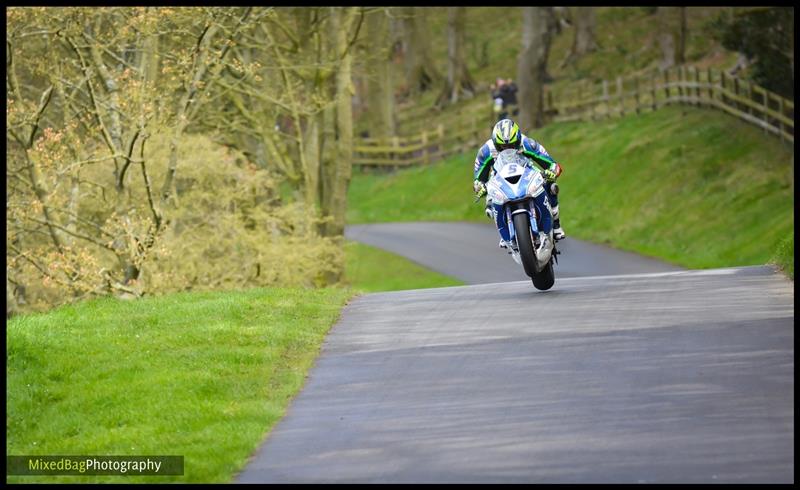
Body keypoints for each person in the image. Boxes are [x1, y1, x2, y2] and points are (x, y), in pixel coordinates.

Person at [473, 118, 565, 251]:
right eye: (503, 147)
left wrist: (551, 172)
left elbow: (551, 163)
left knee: (550, 186)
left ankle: (556, 224)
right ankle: (505, 231)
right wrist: (480, 187)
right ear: (496, 143)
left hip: (526, 171)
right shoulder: (486, 151)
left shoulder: (527, 143)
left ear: (517, 139)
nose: (507, 149)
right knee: (489, 203)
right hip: (499, 177)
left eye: (512, 145)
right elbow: (478, 178)